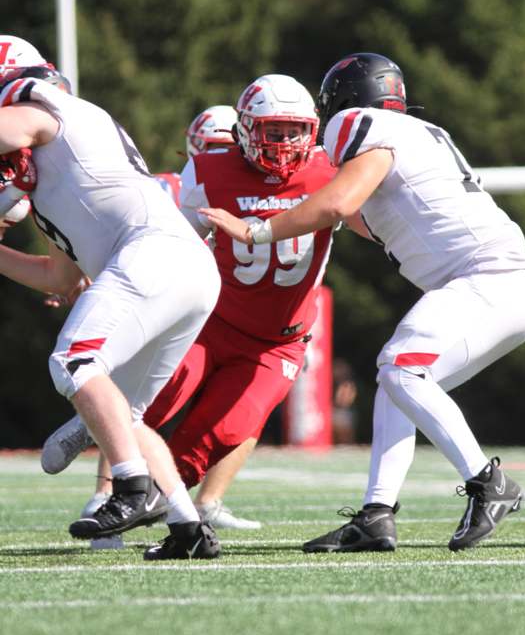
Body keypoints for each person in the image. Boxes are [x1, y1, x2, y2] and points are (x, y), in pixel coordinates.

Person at [201, 52, 525, 553]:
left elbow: (338, 203)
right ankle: (376, 515)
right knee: (394, 382)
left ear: (345, 100)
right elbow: (351, 215)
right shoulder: (419, 137)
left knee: (401, 369)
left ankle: (488, 482)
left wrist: (257, 229)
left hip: (487, 280)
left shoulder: (362, 123)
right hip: (501, 286)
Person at [42, 74, 337, 554]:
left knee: (219, 435)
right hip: (211, 321)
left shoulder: (333, 172)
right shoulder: (209, 170)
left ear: (312, 130)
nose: (283, 144)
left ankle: (160, 510)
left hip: (277, 339)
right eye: (271, 130)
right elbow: (163, 240)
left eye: (293, 131)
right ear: (243, 129)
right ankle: (107, 500)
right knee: (147, 405)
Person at [0, 35, 221, 560]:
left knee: (74, 361)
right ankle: (187, 528)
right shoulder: (59, 173)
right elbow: (60, 278)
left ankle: (128, 487)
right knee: (128, 414)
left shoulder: (46, 107)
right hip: (184, 268)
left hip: (154, 253)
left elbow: (13, 127)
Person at [46, 104, 264, 530]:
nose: (219, 157)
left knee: (107, 387)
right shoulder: (169, 186)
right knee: (116, 396)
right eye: (210, 148)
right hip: (184, 300)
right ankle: (118, 494)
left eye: (225, 147)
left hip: (209, 306)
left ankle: (174, 501)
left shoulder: (261, 189)